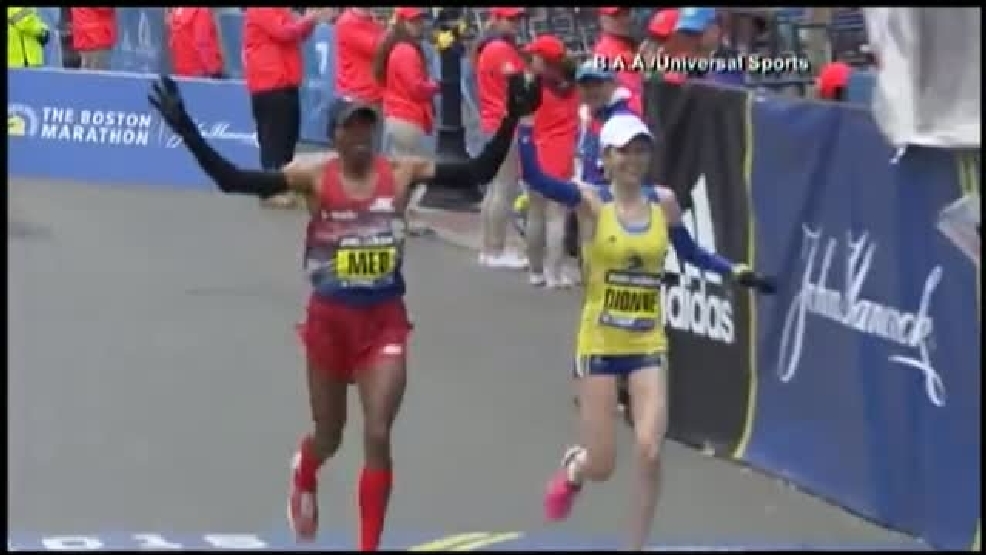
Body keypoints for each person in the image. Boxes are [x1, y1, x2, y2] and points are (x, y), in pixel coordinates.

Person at [147, 72, 539, 551]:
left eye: (366, 127)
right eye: (350, 128)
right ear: (334, 136)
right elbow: (233, 180)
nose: (360, 136)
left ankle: (368, 545)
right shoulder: (314, 178)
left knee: (378, 432)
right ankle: (305, 469)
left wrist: (512, 118)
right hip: (330, 324)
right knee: (330, 435)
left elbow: (477, 172)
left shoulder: (402, 173)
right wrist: (187, 130)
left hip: (383, 322)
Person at [516, 112, 775, 550]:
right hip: (600, 344)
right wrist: (524, 125)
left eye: (641, 150)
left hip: (646, 343)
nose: (634, 160)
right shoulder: (591, 202)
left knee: (650, 452)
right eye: (624, 151)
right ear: (606, 158)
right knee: (602, 465)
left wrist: (735, 272)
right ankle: (575, 468)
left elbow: (689, 252)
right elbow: (537, 179)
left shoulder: (663, 203)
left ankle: (634, 546)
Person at [243, 7, 327, 209]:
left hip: (287, 81)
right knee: (273, 141)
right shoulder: (261, 10)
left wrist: (311, 22)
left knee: (288, 137)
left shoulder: (281, 10)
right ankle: (269, 190)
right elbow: (284, 32)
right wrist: (309, 20)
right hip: (269, 83)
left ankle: (285, 184)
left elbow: (297, 34)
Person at [521, 34, 580, 288]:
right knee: (557, 217)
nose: (530, 60)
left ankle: (536, 271)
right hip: (562, 154)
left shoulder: (533, 88)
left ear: (545, 61)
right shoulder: (574, 87)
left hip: (537, 152)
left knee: (535, 214)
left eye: (535, 57)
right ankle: (554, 273)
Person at [375, 7, 439, 234]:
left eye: (420, 20)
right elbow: (416, 88)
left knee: (403, 172)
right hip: (407, 118)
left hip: (399, 116)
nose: (419, 24)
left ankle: (397, 218)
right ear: (403, 22)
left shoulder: (396, 47)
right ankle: (399, 218)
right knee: (416, 172)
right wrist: (435, 86)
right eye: (414, 21)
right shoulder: (406, 51)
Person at [475, 6, 528, 269]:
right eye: (511, 19)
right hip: (504, 124)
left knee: (496, 188)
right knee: (503, 189)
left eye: (517, 18)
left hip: (493, 123)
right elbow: (519, 87)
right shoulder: (500, 49)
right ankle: (495, 250)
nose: (516, 23)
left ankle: (489, 248)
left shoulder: (489, 47)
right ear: (496, 19)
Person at [592, 7, 643, 115]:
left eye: (626, 14)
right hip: (626, 115)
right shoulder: (605, 49)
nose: (623, 20)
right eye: (615, 16)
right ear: (602, 19)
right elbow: (631, 93)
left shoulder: (629, 43)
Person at [166, 7, 224, 79]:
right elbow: (203, 43)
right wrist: (214, 69)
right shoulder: (201, 12)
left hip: (182, 70)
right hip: (201, 71)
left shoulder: (177, 12)